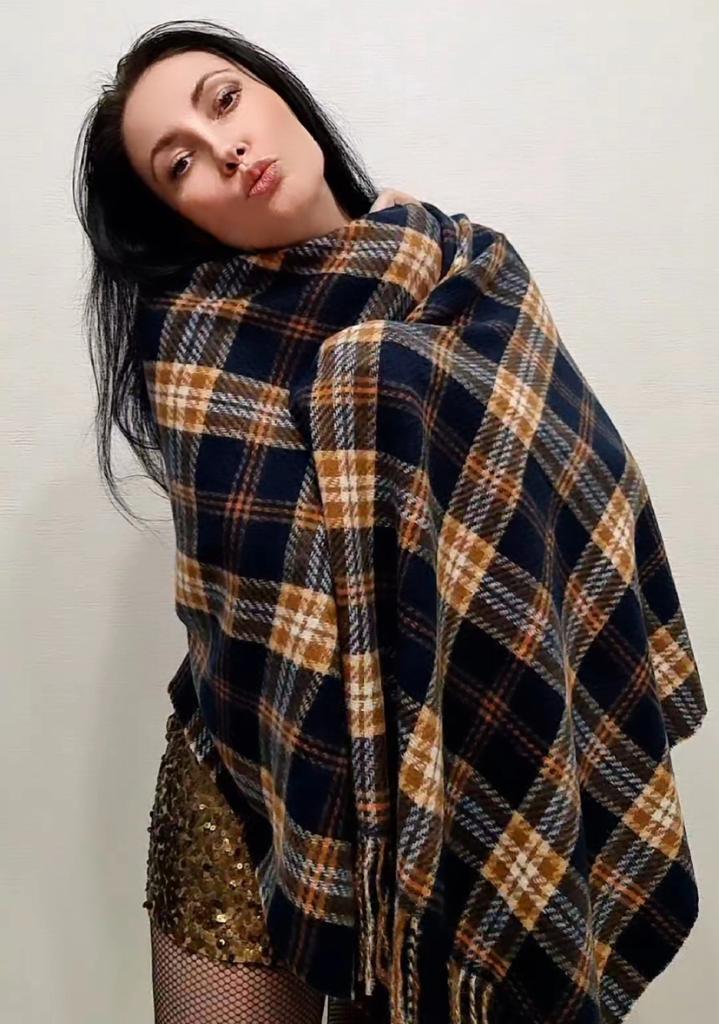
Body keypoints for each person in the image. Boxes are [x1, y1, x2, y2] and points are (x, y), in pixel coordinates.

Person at [74, 18, 418, 1024]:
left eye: (223, 99)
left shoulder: (467, 285)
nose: (223, 147)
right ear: (177, 213)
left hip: (436, 785)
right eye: (178, 164)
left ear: (279, 94)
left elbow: (559, 531)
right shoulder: (192, 346)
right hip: (239, 778)